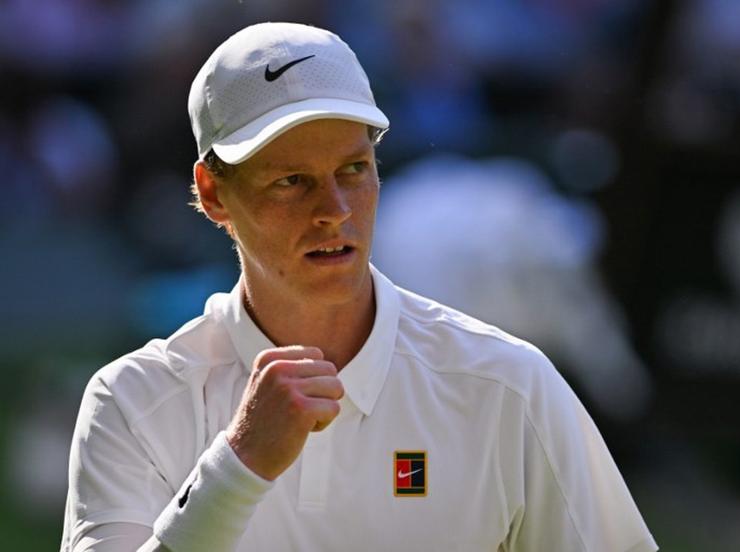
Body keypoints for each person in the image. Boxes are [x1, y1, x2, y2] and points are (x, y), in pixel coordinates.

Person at [61, 22, 658, 552]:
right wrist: (238, 465)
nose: (335, 210)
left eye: (354, 169)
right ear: (214, 194)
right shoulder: (131, 402)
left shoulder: (508, 385)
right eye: (291, 180)